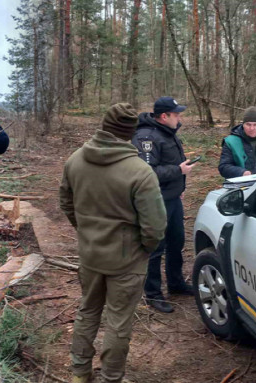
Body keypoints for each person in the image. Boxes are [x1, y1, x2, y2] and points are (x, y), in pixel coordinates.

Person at [60, 103, 167, 383]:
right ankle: (111, 378)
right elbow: (154, 227)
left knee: (87, 312)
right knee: (119, 321)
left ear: (104, 125)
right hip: (127, 260)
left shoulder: (75, 160)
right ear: (130, 133)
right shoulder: (140, 171)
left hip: (90, 254)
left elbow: (66, 203)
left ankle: (80, 374)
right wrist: (143, 249)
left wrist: (85, 232)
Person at [132, 96, 196, 314]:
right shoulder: (146, 137)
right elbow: (147, 172)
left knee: (176, 242)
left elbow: (171, 163)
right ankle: (153, 294)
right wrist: (179, 171)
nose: (179, 118)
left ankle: (176, 283)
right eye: (176, 114)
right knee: (155, 248)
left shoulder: (169, 133)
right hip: (154, 201)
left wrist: (180, 187)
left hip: (172, 198)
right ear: (163, 116)